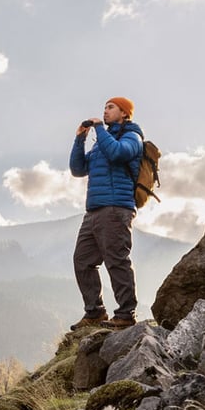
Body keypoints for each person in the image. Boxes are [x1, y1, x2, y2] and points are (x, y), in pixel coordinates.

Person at [68, 96, 143, 331]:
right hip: (94, 211)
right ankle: (94, 312)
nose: (105, 111)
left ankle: (126, 314)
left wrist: (99, 128)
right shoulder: (101, 143)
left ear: (124, 113)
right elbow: (78, 169)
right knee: (82, 260)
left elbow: (118, 154)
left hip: (116, 208)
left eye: (111, 107)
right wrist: (80, 138)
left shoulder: (132, 136)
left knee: (116, 260)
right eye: (105, 108)